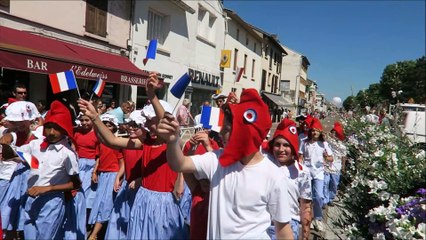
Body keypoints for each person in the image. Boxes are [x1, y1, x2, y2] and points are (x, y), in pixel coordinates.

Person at [156, 88, 294, 239]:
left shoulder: (273, 176)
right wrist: (172, 141)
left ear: (244, 134)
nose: (220, 133)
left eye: (226, 129)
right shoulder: (216, 160)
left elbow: (283, 231)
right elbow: (180, 164)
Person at [78, 72, 189, 239]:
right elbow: (112, 141)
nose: (145, 123)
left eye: (149, 120)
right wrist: (95, 117)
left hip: (164, 204)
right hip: (143, 200)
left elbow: (165, 121)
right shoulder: (145, 142)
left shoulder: (173, 143)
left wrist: (151, 95)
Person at [15, 100, 80, 239]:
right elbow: (16, 153)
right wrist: (9, 138)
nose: (51, 132)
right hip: (31, 198)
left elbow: (75, 184)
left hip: (52, 202)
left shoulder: (67, 154)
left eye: (56, 128)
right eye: (48, 127)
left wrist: (48, 188)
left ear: (65, 129)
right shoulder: (35, 145)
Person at [265, 118, 312, 240]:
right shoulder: (265, 163)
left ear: (294, 148)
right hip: (264, 224)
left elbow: (306, 206)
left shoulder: (302, 172)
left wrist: (305, 235)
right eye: (277, 145)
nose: (281, 150)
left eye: (286, 145)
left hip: (289, 226)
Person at [0, 101, 40, 239]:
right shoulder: (17, 134)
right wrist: (7, 141)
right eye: (15, 122)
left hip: (33, 177)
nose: (17, 125)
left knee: (27, 214)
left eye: (20, 122)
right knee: (12, 213)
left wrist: (14, 156)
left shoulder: (39, 136)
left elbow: (36, 160)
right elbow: (11, 137)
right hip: (18, 176)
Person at [105, 110, 145, 239]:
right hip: (127, 184)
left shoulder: (144, 145)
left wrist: (140, 180)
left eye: (136, 125)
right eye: (130, 124)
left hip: (140, 188)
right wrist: (119, 175)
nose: (131, 127)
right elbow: (124, 161)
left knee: (134, 219)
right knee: (119, 216)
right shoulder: (126, 142)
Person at [88, 113, 124, 240]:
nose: (107, 127)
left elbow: (121, 162)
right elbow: (98, 158)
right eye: (105, 125)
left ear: (114, 128)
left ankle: (94, 234)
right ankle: (96, 231)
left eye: (109, 125)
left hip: (113, 175)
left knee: (106, 204)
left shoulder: (116, 142)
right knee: (98, 203)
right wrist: (94, 171)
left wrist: (118, 177)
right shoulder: (101, 141)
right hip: (103, 174)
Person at [182, 129, 220, 239]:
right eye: (200, 176)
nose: (203, 180)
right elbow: (185, 168)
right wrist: (193, 147)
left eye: (207, 177)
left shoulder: (220, 193)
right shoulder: (197, 191)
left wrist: (208, 145)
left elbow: (218, 166)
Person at [298, 117, 333, 232]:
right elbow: (300, 156)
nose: (314, 133)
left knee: (318, 196)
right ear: (310, 132)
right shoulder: (304, 143)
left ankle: (317, 218)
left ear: (320, 132)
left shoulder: (324, 144)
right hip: (307, 173)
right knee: (306, 197)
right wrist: (300, 166)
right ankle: (307, 217)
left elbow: (331, 157)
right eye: (313, 130)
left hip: (318, 173)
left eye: (317, 131)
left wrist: (326, 157)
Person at [74, 114, 100, 210]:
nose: (84, 123)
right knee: (77, 189)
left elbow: (99, 155)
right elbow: (74, 149)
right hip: (79, 163)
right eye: (82, 120)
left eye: (87, 120)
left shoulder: (97, 134)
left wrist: (94, 171)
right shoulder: (77, 133)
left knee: (86, 191)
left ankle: (84, 214)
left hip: (91, 164)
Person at [324, 122, 347, 207]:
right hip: (326, 165)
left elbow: (343, 157)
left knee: (334, 184)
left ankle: (330, 198)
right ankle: (325, 200)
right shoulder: (328, 142)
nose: (333, 134)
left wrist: (343, 167)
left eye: (335, 133)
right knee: (325, 182)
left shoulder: (342, 146)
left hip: (336, 166)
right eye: (332, 132)